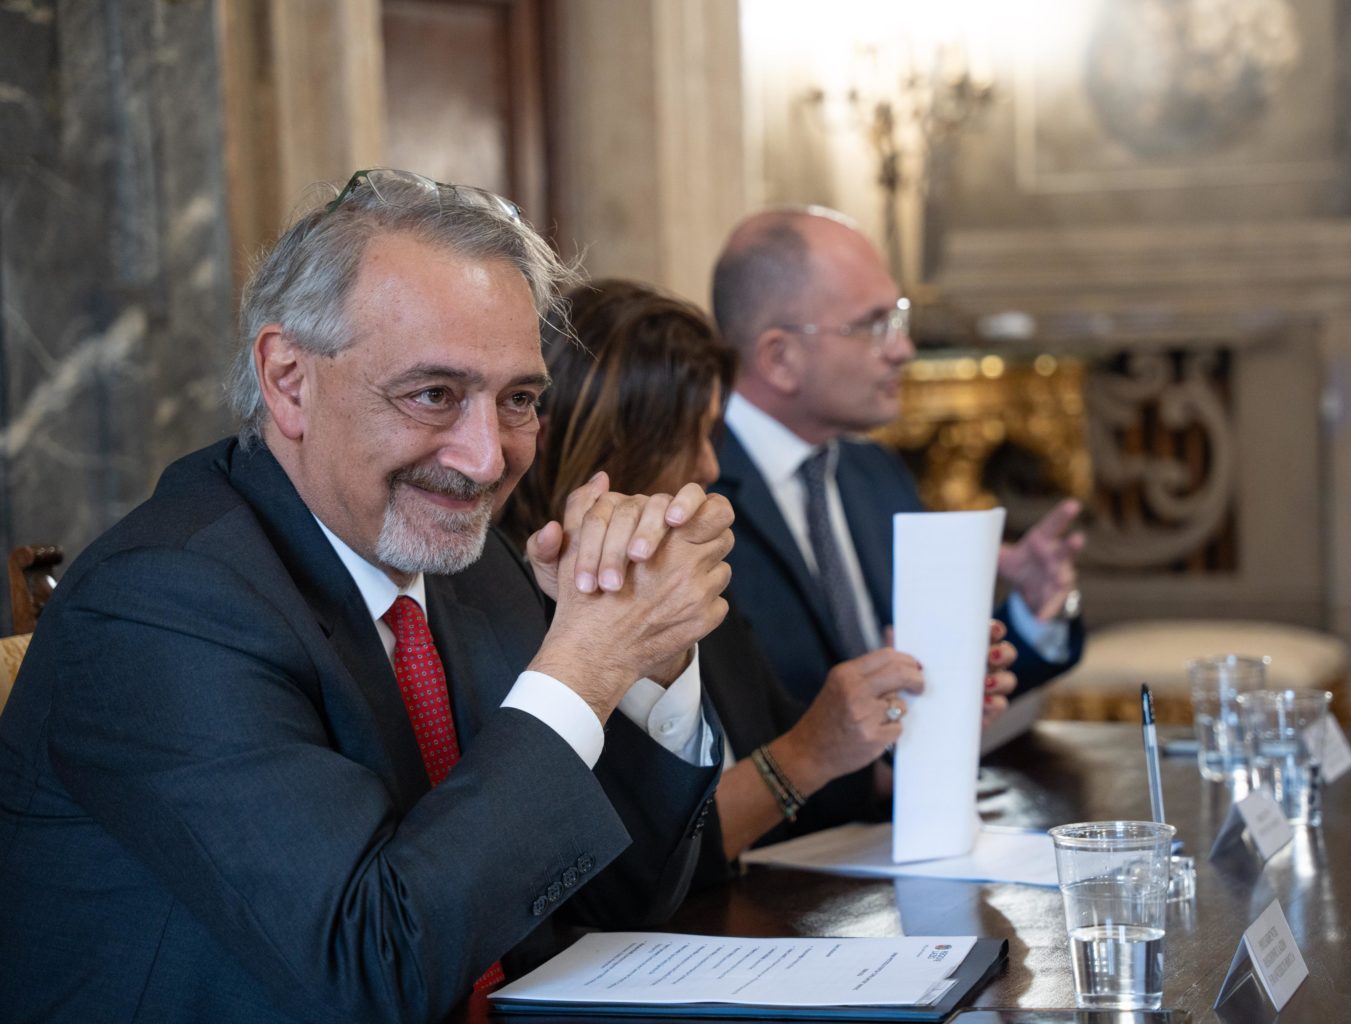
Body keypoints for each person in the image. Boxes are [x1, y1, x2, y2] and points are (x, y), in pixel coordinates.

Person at [0, 170, 734, 1024]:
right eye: (434, 395)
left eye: (519, 401)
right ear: (288, 379)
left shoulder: (473, 566)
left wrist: (647, 652)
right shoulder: (162, 604)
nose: (487, 459)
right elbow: (368, 968)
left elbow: (624, 900)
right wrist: (583, 665)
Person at [504, 279, 1018, 883]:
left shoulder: (687, 582)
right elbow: (633, 865)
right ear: (604, 445)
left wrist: (921, 714)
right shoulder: (517, 606)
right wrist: (809, 752)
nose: (709, 465)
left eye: (713, 434)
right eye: (686, 437)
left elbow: (808, 780)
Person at [709, 206, 1086, 706]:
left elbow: (928, 691)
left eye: (897, 317)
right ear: (780, 358)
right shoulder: (694, 495)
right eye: (872, 325)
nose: (902, 348)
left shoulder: (875, 472)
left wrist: (1031, 614)